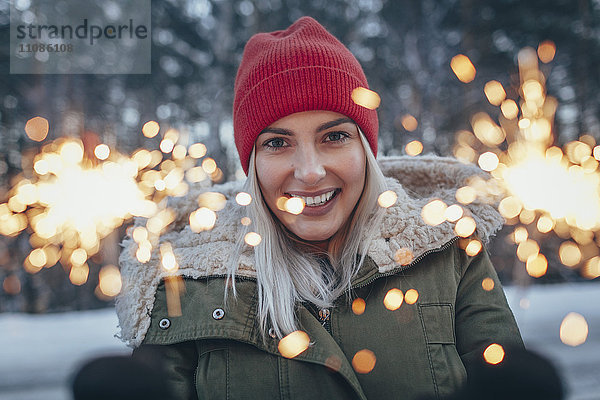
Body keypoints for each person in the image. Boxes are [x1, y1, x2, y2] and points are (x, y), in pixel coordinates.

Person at [116, 16, 524, 400]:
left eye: (334, 136)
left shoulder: (449, 251)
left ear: (365, 150)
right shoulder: (184, 282)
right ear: (252, 165)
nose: (310, 172)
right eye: (277, 142)